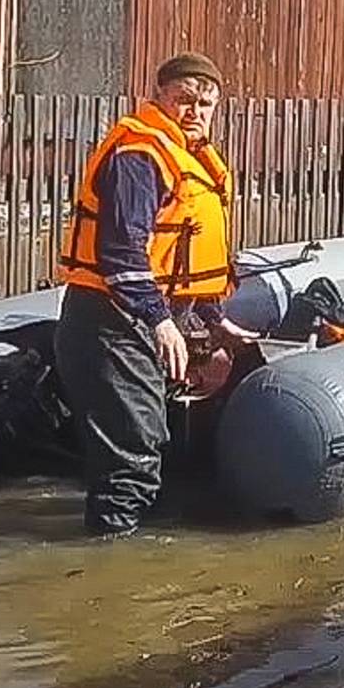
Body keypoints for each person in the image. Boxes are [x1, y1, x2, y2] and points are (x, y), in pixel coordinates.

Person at [54, 52, 250, 536]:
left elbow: (179, 250)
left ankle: (126, 547)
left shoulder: (191, 156)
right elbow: (122, 253)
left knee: (150, 445)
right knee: (132, 457)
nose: (195, 111)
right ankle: (105, 572)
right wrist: (162, 322)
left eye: (205, 103)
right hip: (111, 322)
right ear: (158, 96)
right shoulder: (141, 156)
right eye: (183, 99)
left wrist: (213, 317)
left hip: (151, 318)